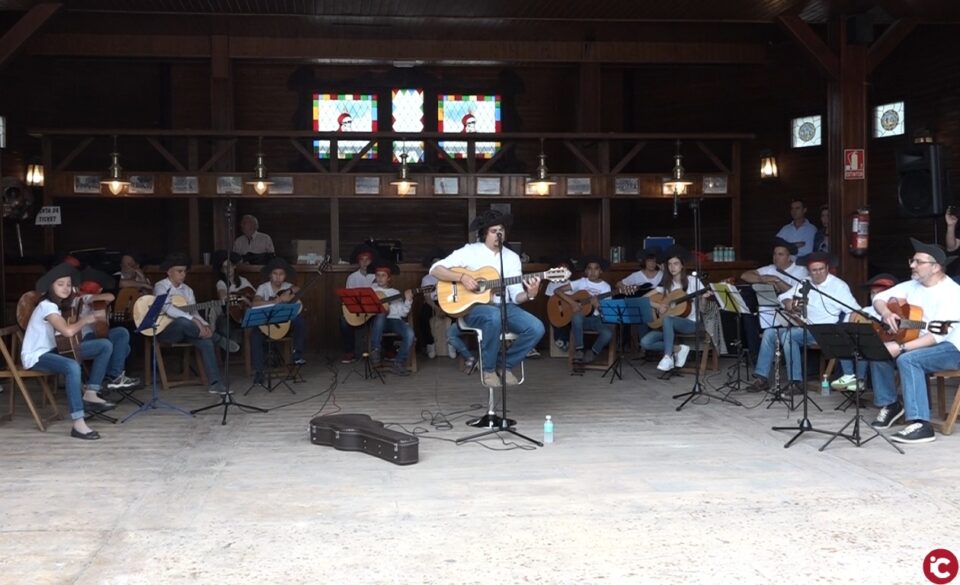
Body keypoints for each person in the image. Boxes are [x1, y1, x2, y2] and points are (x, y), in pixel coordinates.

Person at [430, 208, 544, 387]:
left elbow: (515, 296)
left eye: (502, 230)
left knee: (536, 328)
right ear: (485, 234)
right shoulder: (470, 251)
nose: (498, 234)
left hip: (505, 306)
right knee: (493, 316)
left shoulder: (512, 257)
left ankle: (504, 365)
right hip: (474, 308)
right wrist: (462, 278)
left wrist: (530, 294)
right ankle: (488, 369)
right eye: (493, 231)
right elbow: (436, 269)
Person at [868, 239, 960, 443]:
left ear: (935, 267)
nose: (912, 266)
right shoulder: (913, 285)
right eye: (912, 260)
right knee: (878, 349)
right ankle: (891, 405)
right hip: (922, 342)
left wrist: (900, 347)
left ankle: (921, 423)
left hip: (953, 347)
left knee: (908, 359)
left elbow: (937, 335)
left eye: (918, 262)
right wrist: (886, 314)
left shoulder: (952, 293)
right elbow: (879, 298)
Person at [21, 263, 115, 440]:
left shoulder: (58, 306)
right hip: (37, 356)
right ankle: (78, 423)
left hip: (53, 350)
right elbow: (68, 331)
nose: (65, 288)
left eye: (68, 284)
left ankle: (91, 391)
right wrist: (86, 320)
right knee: (71, 366)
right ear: (51, 286)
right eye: (60, 284)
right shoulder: (46, 306)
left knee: (104, 345)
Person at [748, 252, 857, 395]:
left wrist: (844, 327)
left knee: (789, 336)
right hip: (805, 327)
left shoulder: (839, 286)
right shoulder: (805, 282)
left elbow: (854, 310)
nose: (818, 273)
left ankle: (796, 382)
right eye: (814, 270)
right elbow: (783, 297)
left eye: (821, 269)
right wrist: (788, 302)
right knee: (769, 333)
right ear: (809, 271)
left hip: (826, 330)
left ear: (827, 268)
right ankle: (762, 378)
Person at [153, 253, 239, 394]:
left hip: (189, 331)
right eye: (179, 271)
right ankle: (218, 339)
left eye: (184, 271)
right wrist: (193, 321)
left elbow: (194, 313)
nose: (183, 274)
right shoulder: (160, 286)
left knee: (206, 342)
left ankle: (215, 384)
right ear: (169, 272)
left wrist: (205, 325)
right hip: (167, 330)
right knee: (183, 321)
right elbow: (166, 308)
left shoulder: (188, 290)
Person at [739, 238, 809, 361]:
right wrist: (763, 279)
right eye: (774, 254)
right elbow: (745, 275)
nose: (776, 257)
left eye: (780, 254)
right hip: (767, 309)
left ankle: (774, 356)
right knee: (747, 315)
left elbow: (796, 293)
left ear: (789, 257)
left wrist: (777, 280)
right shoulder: (770, 268)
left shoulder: (800, 270)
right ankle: (755, 356)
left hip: (791, 312)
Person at [640, 245, 706, 372]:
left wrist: (703, 298)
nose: (672, 267)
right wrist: (658, 305)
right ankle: (678, 349)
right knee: (645, 342)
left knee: (668, 319)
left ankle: (667, 357)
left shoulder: (693, 281)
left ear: (682, 265)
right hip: (668, 324)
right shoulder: (666, 285)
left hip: (691, 323)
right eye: (669, 264)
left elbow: (702, 310)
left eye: (676, 264)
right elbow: (644, 298)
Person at [74, 269, 141, 392]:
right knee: (124, 348)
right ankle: (112, 378)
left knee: (121, 333)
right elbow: (110, 296)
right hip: (83, 338)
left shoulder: (89, 298)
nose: (101, 290)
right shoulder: (83, 298)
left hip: (93, 335)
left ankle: (112, 377)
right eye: (100, 288)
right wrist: (99, 296)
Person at [829, 273, 897, 391]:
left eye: (879, 293)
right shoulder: (864, 310)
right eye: (873, 293)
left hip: (883, 345)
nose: (874, 296)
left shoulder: (895, 312)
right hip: (860, 345)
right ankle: (849, 375)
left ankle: (860, 380)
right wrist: (851, 320)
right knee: (845, 337)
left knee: (864, 341)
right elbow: (846, 327)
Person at [249, 257, 307, 384]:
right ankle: (259, 372)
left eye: (281, 274)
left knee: (299, 321)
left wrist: (289, 291)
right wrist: (275, 301)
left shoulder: (287, 286)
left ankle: (297, 354)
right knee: (255, 335)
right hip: (267, 325)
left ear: (285, 276)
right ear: (270, 275)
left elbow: (297, 289)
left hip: (285, 325)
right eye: (275, 274)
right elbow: (255, 303)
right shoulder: (263, 287)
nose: (278, 277)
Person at [554, 255, 615, 364]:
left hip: (597, 319)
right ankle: (579, 350)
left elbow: (606, 312)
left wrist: (597, 306)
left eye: (596, 268)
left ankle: (592, 353)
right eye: (589, 268)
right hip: (581, 320)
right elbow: (557, 291)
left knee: (608, 334)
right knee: (577, 316)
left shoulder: (606, 287)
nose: (592, 272)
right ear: (586, 271)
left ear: (600, 271)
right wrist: (573, 303)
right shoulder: (581, 282)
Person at [368, 261, 415, 377]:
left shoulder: (395, 293)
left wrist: (408, 300)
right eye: (378, 275)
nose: (380, 278)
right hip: (377, 322)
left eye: (383, 275)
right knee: (381, 314)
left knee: (410, 334)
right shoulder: (371, 291)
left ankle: (398, 364)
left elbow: (403, 313)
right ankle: (375, 354)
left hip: (394, 321)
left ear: (389, 278)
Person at [339, 243, 377, 363]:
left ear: (371, 261)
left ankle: (381, 350)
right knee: (344, 321)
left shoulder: (376, 276)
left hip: (372, 312)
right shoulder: (352, 277)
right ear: (358, 261)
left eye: (367, 260)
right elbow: (348, 299)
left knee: (382, 319)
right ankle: (349, 352)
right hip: (357, 312)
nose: (365, 263)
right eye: (362, 260)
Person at [617, 248, 661, 348]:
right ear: (644, 262)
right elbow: (619, 284)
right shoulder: (636, 276)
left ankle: (653, 345)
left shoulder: (661, 275)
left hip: (658, 306)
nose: (652, 264)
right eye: (649, 261)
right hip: (643, 307)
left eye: (654, 261)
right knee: (642, 314)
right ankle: (644, 346)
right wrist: (626, 289)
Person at [211, 250, 254, 345]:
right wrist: (240, 298)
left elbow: (254, 297)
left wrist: (246, 301)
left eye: (230, 266)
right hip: (229, 316)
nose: (228, 269)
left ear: (234, 266)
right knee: (224, 328)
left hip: (245, 314)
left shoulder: (243, 281)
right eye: (225, 267)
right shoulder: (221, 283)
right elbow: (223, 297)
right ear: (222, 270)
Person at [416, 248, 448, 360]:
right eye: (434, 263)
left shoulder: (449, 277)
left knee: (458, 316)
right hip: (432, 302)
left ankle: (452, 344)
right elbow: (427, 297)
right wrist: (436, 308)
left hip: (447, 301)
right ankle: (430, 344)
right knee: (422, 317)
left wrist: (445, 307)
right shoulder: (427, 279)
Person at [545, 255, 574, 352]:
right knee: (556, 322)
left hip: (569, 310)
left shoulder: (571, 284)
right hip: (556, 310)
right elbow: (550, 301)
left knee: (568, 323)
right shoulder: (552, 284)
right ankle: (559, 339)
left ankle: (566, 340)